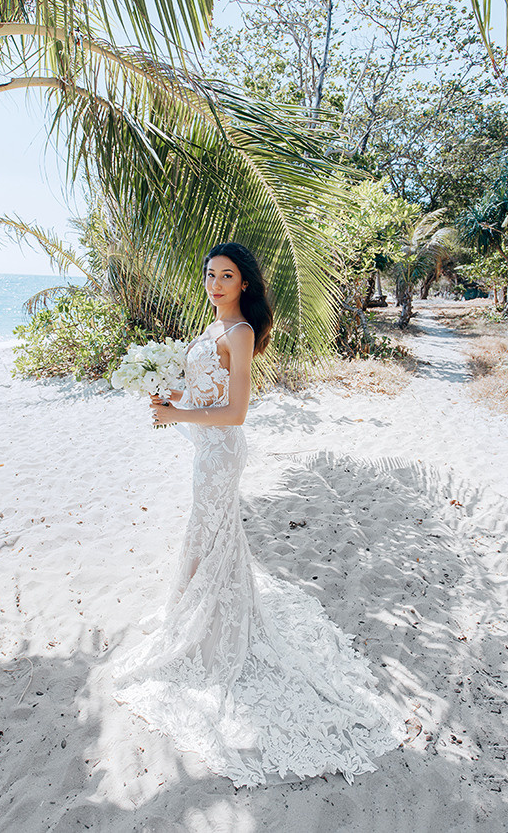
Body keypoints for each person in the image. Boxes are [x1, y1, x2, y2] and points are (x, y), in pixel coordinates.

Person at [112, 242, 406, 787]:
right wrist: (166, 392)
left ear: (244, 282)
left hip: (221, 451)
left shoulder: (241, 332)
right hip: (203, 447)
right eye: (210, 274)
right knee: (209, 534)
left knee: (215, 531)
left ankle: (214, 626)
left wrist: (174, 411)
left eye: (227, 275)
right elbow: (207, 390)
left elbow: (237, 410)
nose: (216, 283)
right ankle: (196, 614)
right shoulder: (211, 328)